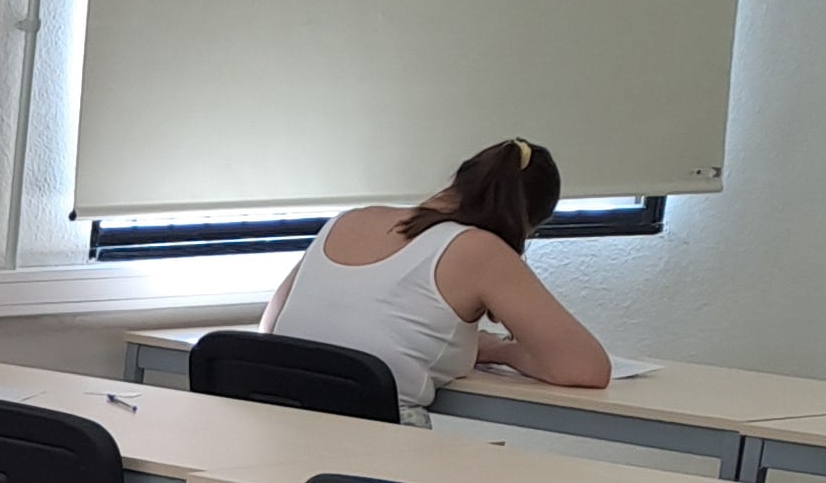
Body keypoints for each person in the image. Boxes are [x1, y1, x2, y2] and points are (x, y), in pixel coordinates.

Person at [257, 136, 612, 413]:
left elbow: (270, 326)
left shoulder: (350, 219)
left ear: (459, 181)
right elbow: (585, 368)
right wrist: (494, 351)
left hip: (283, 426)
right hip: (373, 448)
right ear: (526, 223)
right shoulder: (480, 249)